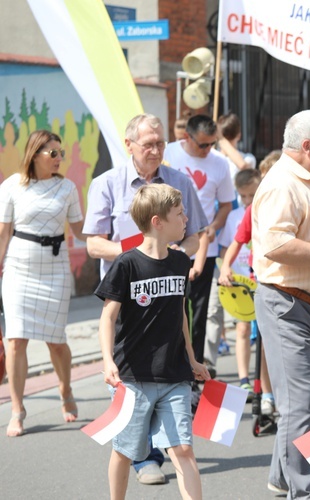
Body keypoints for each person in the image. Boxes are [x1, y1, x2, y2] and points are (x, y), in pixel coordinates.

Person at [84, 113, 207, 485]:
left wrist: (173, 258)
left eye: (160, 142)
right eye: (148, 143)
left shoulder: (180, 182)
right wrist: (138, 254)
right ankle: (143, 456)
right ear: (129, 145)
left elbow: (194, 235)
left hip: (168, 294)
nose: (156, 150)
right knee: (135, 402)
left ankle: (156, 452)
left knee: (180, 433)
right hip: (127, 299)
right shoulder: (107, 183)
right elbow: (92, 243)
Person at [252, 110, 310, 498]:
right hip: (286, 303)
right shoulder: (282, 184)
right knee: (301, 402)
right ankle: (302, 492)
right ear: (307, 147)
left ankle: (281, 474)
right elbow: (275, 246)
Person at [95, 183, 211, 500]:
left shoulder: (179, 262)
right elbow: (107, 318)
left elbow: (181, 315)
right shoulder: (126, 264)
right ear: (158, 221)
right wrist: (108, 361)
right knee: (125, 450)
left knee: (184, 449)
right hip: (133, 377)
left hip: (174, 374)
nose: (186, 219)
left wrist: (192, 359)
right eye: (179, 213)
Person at [0, 130, 85, 437]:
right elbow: (4, 233)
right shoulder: (11, 185)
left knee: (56, 341)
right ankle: (17, 410)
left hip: (56, 269)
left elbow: (80, 228)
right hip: (19, 268)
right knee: (16, 340)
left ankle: (65, 391)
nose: (59, 158)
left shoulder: (67, 188)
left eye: (61, 153)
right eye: (53, 153)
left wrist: (115, 233)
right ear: (35, 154)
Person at [164, 114, 235, 372]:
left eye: (212, 144)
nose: (208, 150)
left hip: (203, 245)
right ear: (187, 137)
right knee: (173, 307)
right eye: (203, 145)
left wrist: (214, 226)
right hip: (169, 245)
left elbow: (226, 204)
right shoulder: (170, 153)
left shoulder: (219, 164)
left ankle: (195, 366)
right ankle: (173, 362)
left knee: (199, 310)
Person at [216, 169, 275, 416]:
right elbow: (235, 243)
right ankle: (251, 384)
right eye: (245, 196)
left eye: (253, 194)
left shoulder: (277, 204)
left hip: (279, 280)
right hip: (252, 281)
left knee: (268, 343)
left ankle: (270, 392)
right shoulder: (247, 213)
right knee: (251, 333)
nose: (249, 199)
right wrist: (226, 267)